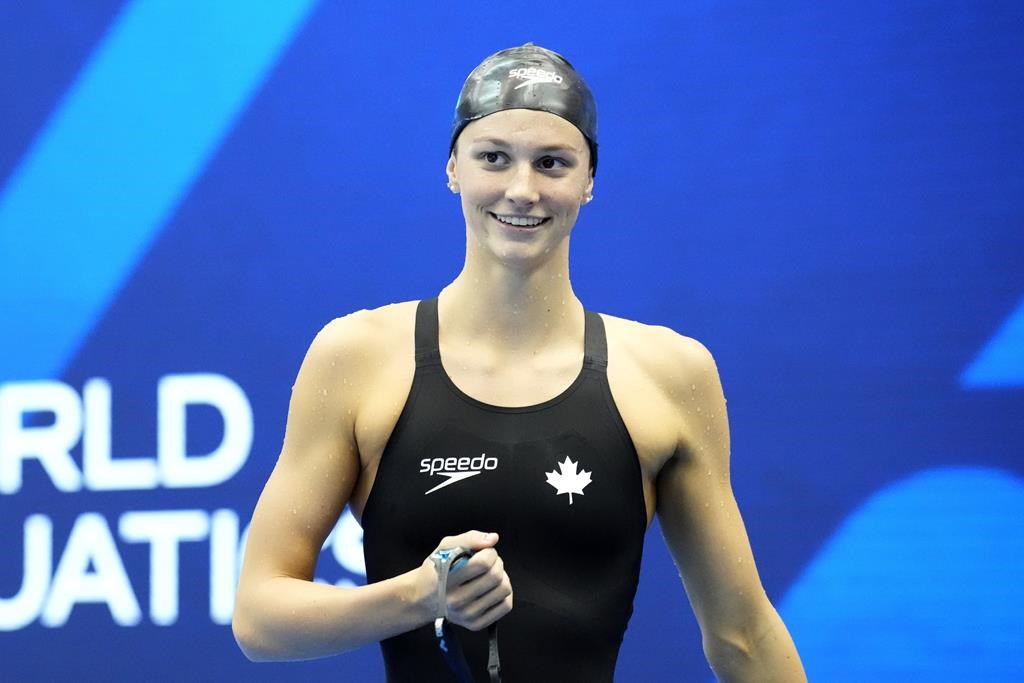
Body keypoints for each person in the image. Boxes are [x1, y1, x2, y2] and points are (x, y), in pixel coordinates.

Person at [232, 44, 806, 682]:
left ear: (590, 180)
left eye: (552, 163)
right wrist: (421, 596)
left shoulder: (668, 374)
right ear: (453, 167)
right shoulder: (358, 358)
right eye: (494, 158)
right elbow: (260, 617)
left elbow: (743, 636)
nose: (522, 189)